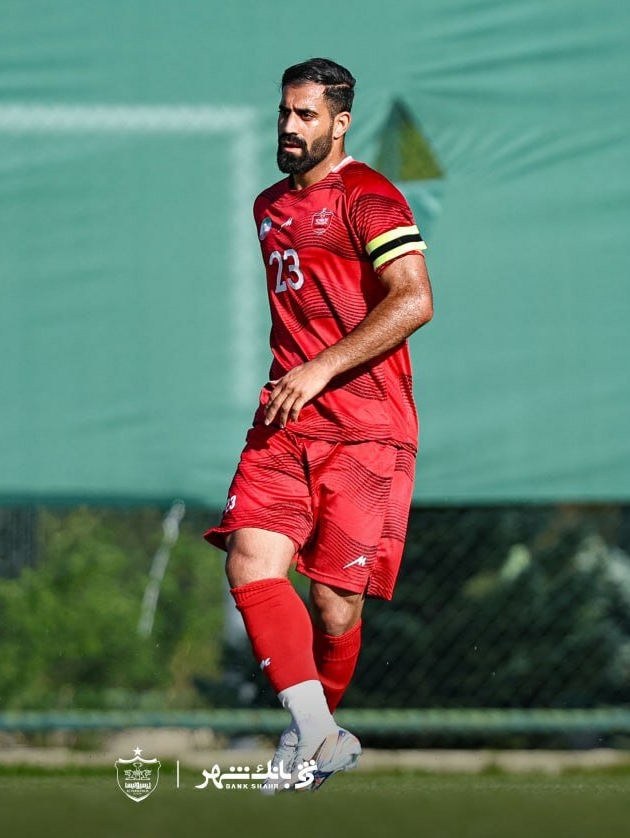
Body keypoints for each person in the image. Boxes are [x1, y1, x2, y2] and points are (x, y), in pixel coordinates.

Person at [204, 57, 434, 793]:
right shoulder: (268, 206)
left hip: (366, 428)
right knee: (249, 560)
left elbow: (414, 299)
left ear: (340, 124)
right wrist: (300, 378)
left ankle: (310, 737)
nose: (290, 126)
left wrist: (321, 367)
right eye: (284, 112)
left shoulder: (369, 196)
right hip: (287, 418)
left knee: (335, 607)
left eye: (306, 115)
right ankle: (316, 734)